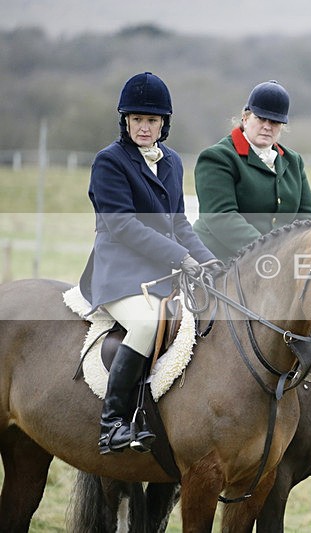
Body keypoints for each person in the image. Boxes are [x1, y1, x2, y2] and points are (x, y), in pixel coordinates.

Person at [79, 72, 218, 455]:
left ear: (163, 124)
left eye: (152, 120)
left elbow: (178, 224)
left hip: (160, 274)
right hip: (118, 275)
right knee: (145, 323)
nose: (144, 127)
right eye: (137, 119)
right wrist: (181, 258)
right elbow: (122, 226)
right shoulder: (109, 161)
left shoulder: (171, 162)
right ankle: (112, 424)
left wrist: (211, 263)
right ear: (125, 121)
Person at [193, 80, 311, 261]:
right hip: (221, 261)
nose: (267, 126)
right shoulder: (217, 158)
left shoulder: (294, 161)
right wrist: (271, 250)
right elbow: (221, 217)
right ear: (245, 117)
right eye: (261, 118)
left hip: (278, 263)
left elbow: (307, 218)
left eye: (275, 121)